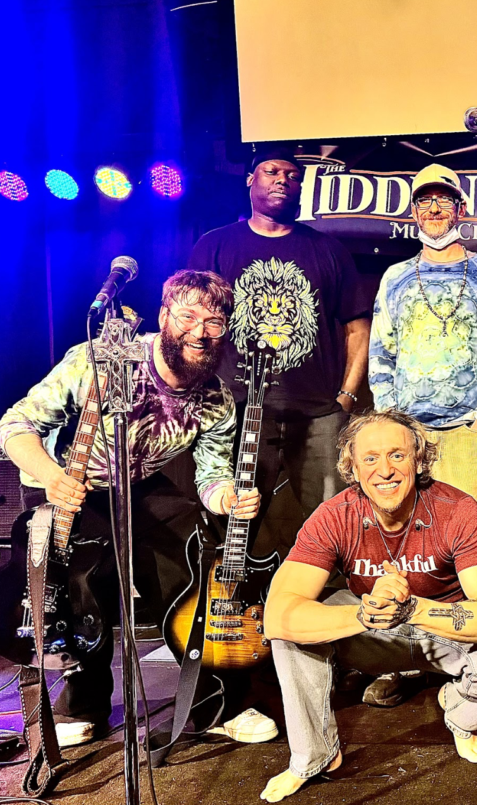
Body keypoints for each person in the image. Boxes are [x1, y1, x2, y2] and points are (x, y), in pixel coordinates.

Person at [0, 270, 260, 747]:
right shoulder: (98, 362)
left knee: (194, 551)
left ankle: (214, 702)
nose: (200, 332)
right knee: (86, 583)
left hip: (135, 483)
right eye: (188, 317)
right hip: (69, 481)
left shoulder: (215, 399)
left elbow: (212, 474)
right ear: (164, 316)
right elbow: (15, 424)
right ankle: (83, 702)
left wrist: (227, 497)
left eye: (214, 323)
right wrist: (52, 477)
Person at [260, 410, 477, 802]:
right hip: (371, 630)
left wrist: (412, 609)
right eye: (370, 458)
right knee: (291, 633)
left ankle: (460, 714)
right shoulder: (334, 515)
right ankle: (314, 756)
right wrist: (364, 614)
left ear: (419, 460)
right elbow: (277, 615)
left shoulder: (456, 508)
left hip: (440, 626)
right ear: (353, 468)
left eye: (397, 455)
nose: (385, 470)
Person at [367, 163, 477, 705]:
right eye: (424, 201)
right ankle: (407, 661)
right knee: (404, 547)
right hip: (408, 439)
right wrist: (391, 425)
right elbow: (380, 354)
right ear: (414, 212)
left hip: (471, 434)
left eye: (443, 199)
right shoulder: (395, 277)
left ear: (460, 208)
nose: (433, 209)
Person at [186, 145, 372, 559]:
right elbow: (192, 321)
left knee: (335, 527)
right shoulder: (215, 245)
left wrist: (346, 396)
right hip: (237, 410)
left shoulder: (328, 251)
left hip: (319, 413)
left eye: (292, 175)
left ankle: (331, 599)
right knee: (231, 525)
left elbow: (358, 329)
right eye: (272, 171)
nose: (282, 180)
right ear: (250, 180)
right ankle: (235, 596)